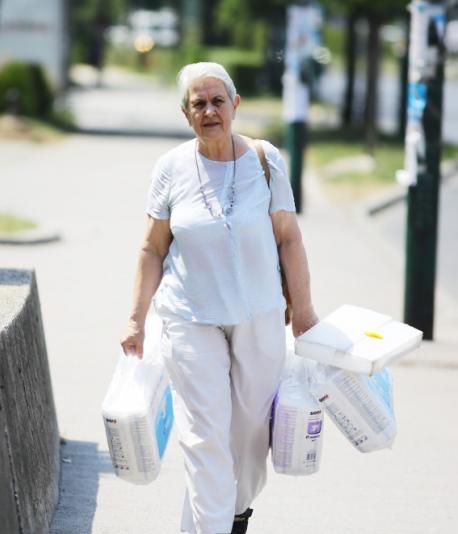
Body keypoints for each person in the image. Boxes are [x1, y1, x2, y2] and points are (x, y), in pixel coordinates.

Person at [120, 62, 319, 534]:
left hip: (259, 314)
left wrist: (305, 310)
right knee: (205, 434)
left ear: (235, 105)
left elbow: (288, 238)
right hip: (191, 317)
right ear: (185, 113)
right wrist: (135, 318)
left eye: (217, 101)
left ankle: (234, 513)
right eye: (198, 103)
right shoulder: (170, 168)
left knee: (250, 434)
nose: (209, 111)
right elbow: (152, 248)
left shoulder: (266, 160)